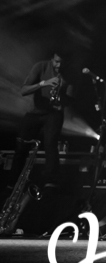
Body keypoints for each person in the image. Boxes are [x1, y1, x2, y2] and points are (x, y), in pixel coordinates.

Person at [12, 52, 74, 189]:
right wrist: (43, 84)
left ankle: (50, 182)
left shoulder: (69, 74)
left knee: (51, 145)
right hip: (34, 112)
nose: (59, 66)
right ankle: (14, 181)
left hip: (54, 113)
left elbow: (70, 99)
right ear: (52, 59)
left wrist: (61, 99)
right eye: (56, 62)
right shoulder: (40, 66)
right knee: (22, 145)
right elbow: (23, 91)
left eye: (62, 63)